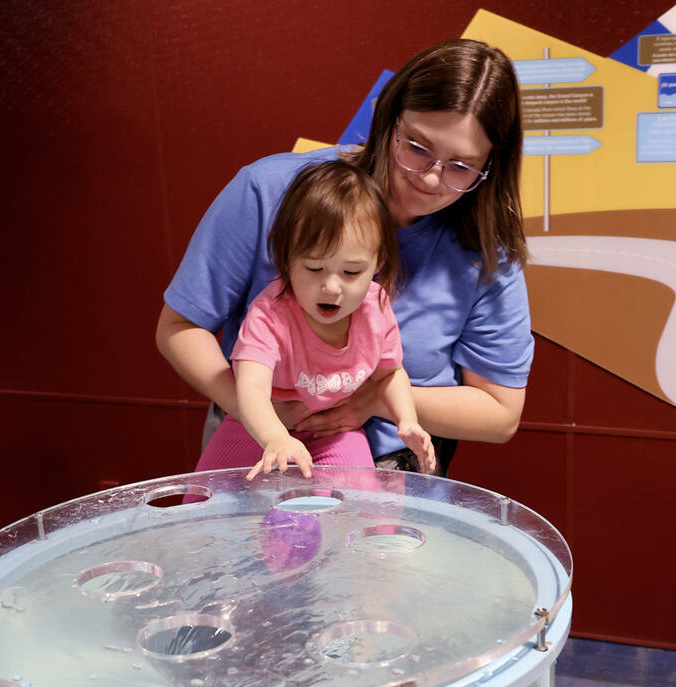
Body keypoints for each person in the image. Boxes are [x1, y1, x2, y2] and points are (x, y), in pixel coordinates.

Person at [156, 39, 532, 475]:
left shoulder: (485, 253)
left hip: (391, 466)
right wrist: (259, 411)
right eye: (417, 147)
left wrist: (374, 401)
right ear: (388, 119)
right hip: (256, 443)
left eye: (461, 166)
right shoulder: (270, 190)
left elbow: (501, 413)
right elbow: (180, 326)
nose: (430, 179)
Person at [198, 159, 435, 480]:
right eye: (314, 268)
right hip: (260, 423)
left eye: (351, 272)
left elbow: (389, 373)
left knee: (362, 509)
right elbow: (251, 388)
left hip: (334, 433)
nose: (332, 287)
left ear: (378, 262)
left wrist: (406, 420)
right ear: (287, 260)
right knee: (205, 501)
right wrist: (276, 438)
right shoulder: (271, 314)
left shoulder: (375, 307)